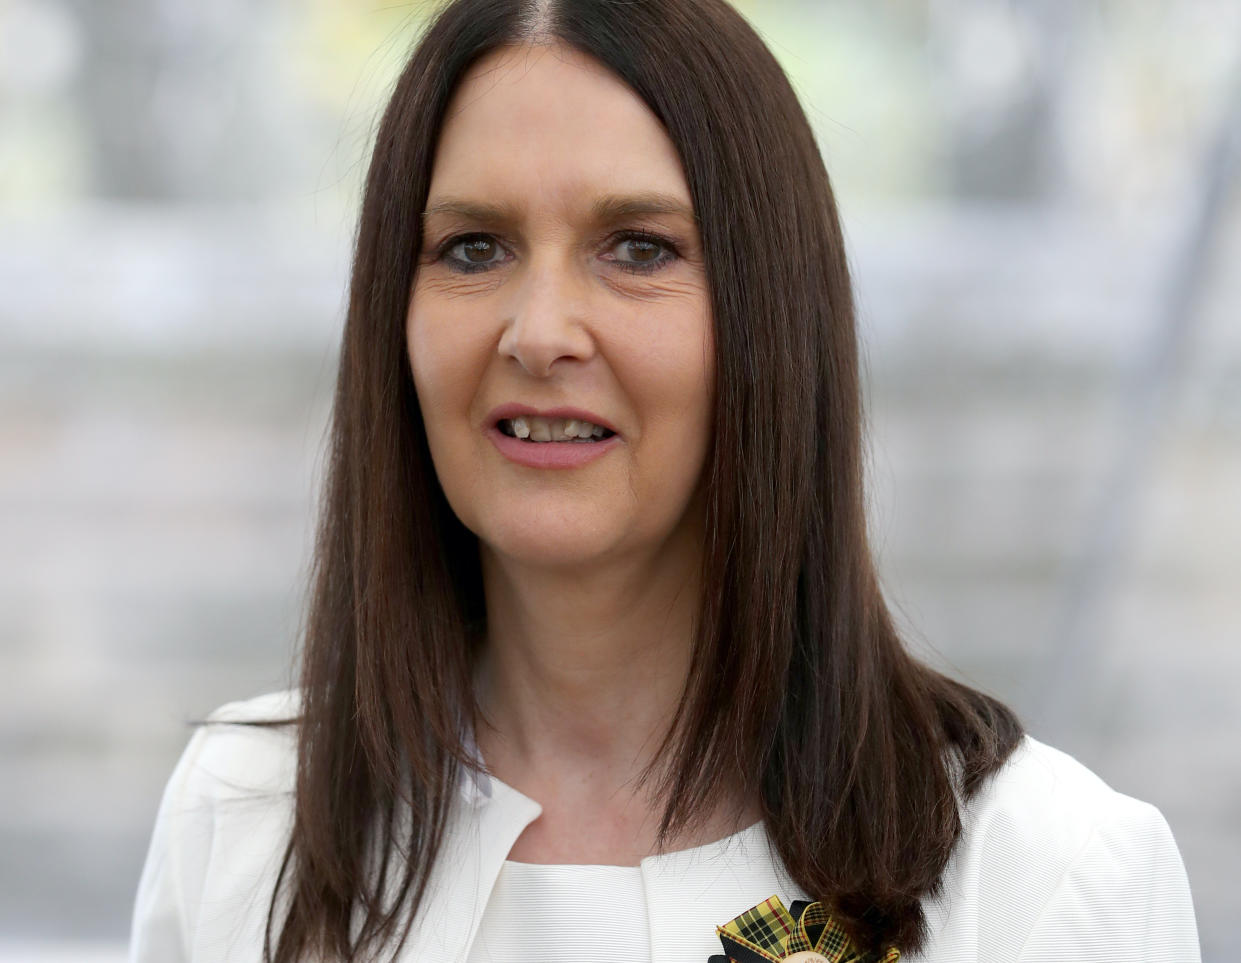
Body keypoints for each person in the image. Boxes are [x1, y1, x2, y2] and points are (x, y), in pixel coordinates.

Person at [128, 1, 1201, 961]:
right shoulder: (245, 820)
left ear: (772, 318)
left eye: (636, 248)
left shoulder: (1046, 879)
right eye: (470, 249)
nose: (538, 331)